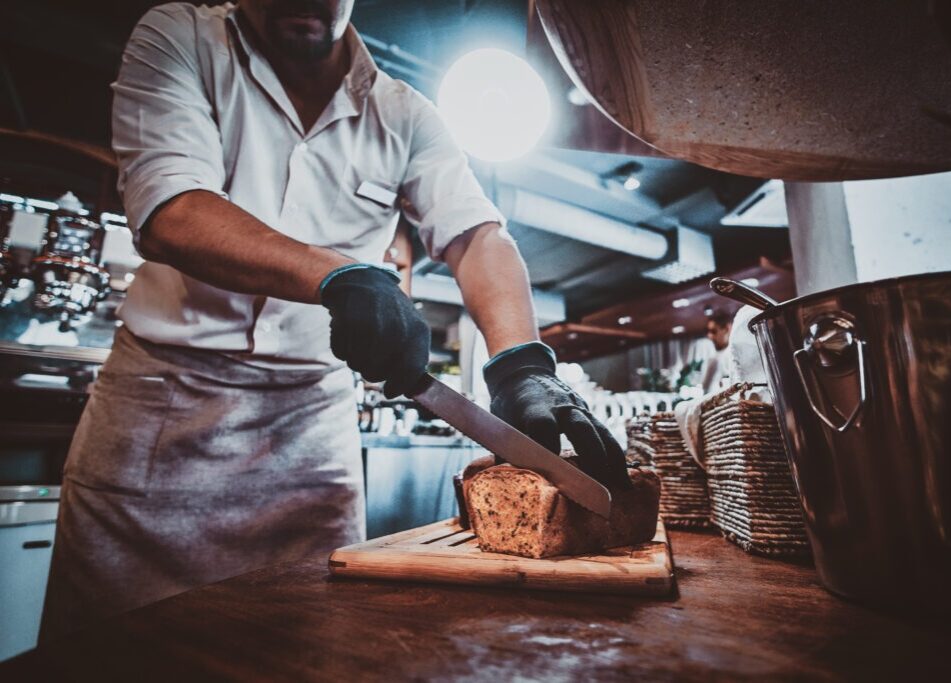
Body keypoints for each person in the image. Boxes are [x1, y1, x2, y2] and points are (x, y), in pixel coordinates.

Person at [40, 0, 629, 639]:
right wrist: (338, 273)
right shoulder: (181, 36)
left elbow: (476, 236)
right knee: (109, 649)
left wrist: (520, 362)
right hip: (162, 415)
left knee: (313, 645)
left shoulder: (405, 113)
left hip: (310, 434)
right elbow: (171, 206)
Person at [701, 309, 733, 394]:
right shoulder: (713, 358)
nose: (710, 336)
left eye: (714, 331)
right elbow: (705, 387)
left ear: (726, 329)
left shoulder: (733, 355)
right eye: (708, 332)